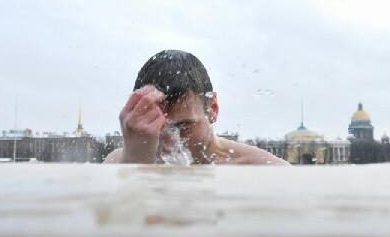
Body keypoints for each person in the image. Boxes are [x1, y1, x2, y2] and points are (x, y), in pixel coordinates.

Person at [104, 50, 289, 165]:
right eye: (157, 129)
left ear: (213, 109)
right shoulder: (120, 162)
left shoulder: (262, 171)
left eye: (183, 127)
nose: (170, 142)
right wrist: (136, 162)